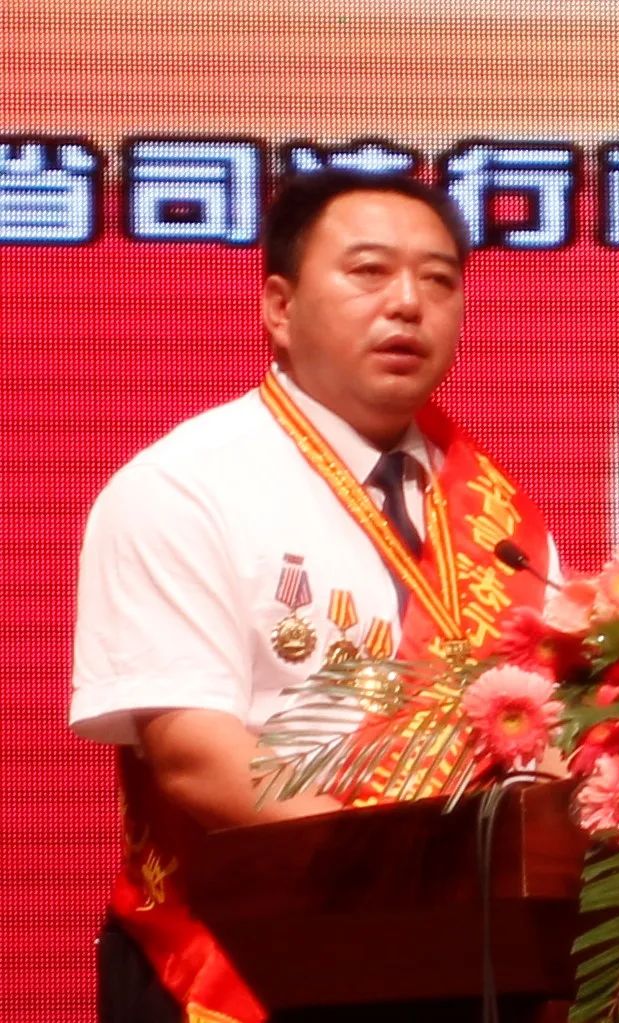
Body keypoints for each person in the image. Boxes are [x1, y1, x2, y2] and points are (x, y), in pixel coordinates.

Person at [70, 169, 556, 1022]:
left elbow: (547, 735)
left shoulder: (498, 514)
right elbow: (195, 755)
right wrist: (401, 883)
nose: (407, 303)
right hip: (243, 964)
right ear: (279, 307)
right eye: (369, 271)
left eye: (438, 280)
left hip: (466, 962)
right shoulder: (186, 485)